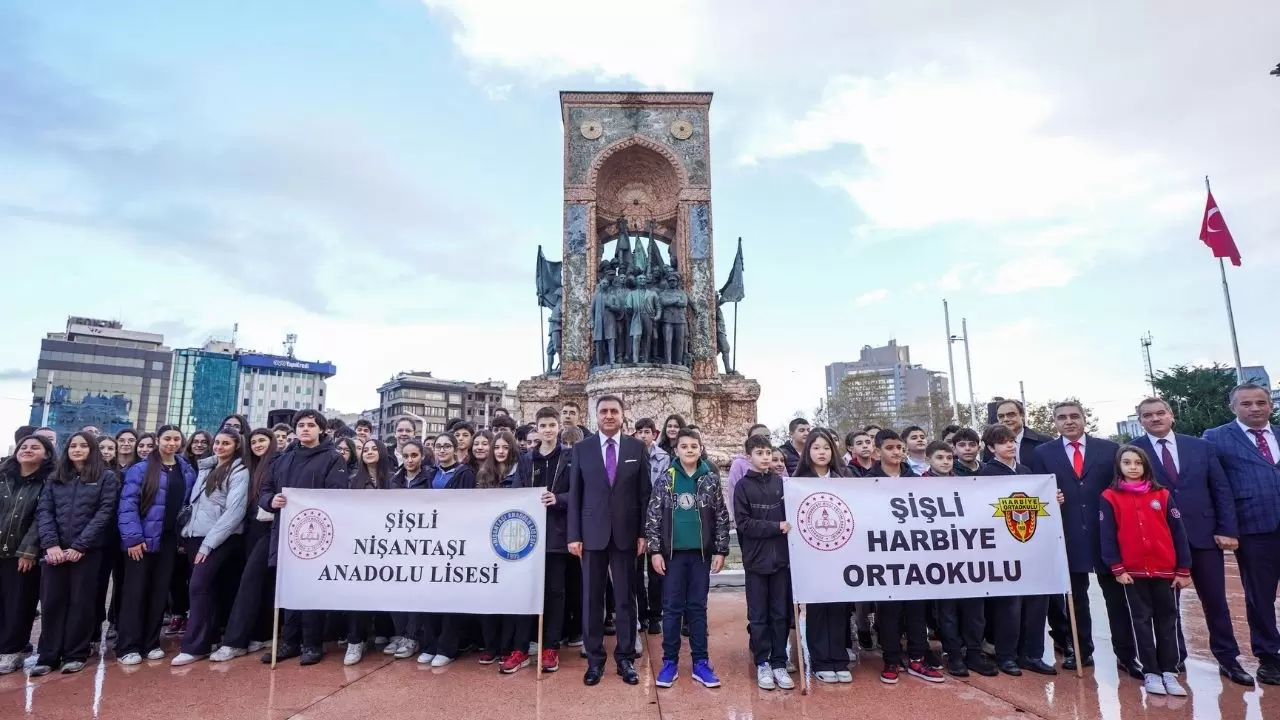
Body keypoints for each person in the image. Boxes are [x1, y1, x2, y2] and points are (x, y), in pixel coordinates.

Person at [1129, 398, 1251, 685]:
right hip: (1161, 542)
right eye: (1148, 415)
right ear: (1140, 420)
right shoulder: (1132, 452)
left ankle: (1227, 658)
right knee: (1167, 605)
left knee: (1215, 601)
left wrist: (1227, 528)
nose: (1155, 419)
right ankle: (1174, 658)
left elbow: (1220, 489)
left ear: (1172, 415)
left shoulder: (1201, 446)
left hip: (1205, 535)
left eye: (1161, 413)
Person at [1030, 402, 1131, 677]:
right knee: (1076, 599)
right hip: (1067, 534)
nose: (1069, 422)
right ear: (1055, 422)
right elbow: (1036, 493)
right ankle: (1081, 650)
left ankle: (1127, 654)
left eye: (1074, 416)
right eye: (1062, 418)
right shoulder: (1043, 453)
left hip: (1106, 535)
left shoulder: (1109, 449)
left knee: (1117, 599)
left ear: (1084, 419)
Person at [567, 395, 650, 687]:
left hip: (627, 535)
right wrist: (574, 535)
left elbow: (644, 496)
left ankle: (626, 658)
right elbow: (575, 495)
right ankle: (594, 660)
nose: (609, 415)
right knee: (592, 599)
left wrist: (643, 533)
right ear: (596, 416)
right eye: (603, 411)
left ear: (623, 415)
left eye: (614, 411)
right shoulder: (581, 449)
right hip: (591, 535)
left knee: (626, 599)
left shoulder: (637, 448)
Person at [1202, 383, 1280, 686]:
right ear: (1232, 406)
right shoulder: (1216, 438)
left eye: (1261, 402)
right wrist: (1225, 527)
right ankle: (1269, 657)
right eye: (1246, 403)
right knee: (1260, 598)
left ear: (1270, 404)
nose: (1255, 408)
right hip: (1253, 529)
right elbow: (1215, 487)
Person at [1098, 444, 1191, 697]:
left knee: (1168, 621)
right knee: (1140, 621)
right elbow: (1107, 537)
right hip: (1132, 573)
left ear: (1145, 465)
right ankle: (1150, 671)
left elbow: (1178, 533)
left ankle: (1170, 671)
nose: (1133, 467)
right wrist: (1116, 567)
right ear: (1119, 466)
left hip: (1165, 572)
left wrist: (1183, 569)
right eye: (1127, 463)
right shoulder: (1110, 496)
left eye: (1138, 463)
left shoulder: (1162, 495)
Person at [260, 410, 349, 666]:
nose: (305, 429)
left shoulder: (332, 458)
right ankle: (288, 641)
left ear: (321, 430)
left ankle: (312, 643)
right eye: (301, 425)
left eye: (311, 425)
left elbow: (337, 493)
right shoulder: (282, 459)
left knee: (312, 590)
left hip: (318, 536)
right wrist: (271, 501)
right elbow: (265, 490)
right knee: (288, 589)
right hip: (286, 534)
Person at [646, 428, 729, 689]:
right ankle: (669, 661)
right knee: (671, 609)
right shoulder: (666, 479)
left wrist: (720, 550)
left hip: (701, 555)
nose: (690, 450)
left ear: (700, 449)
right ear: (677, 450)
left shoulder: (710, 479)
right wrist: (655, 550)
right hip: (672, 556)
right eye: (685, 446)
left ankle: (701, 662)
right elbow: (653, 517)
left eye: (694, 445)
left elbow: (721, 517)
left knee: (697, 608)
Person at [30, 432, 119, 676]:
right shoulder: (55, 478)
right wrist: (51, 545)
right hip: (54, 552)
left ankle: (75, 654)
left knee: (81, 602)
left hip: (87, 552)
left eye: (83, 446)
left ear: (92, 450)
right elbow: (44, 512)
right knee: (52, 602)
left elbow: (104, 513)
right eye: (73, 445)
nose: (77, 449)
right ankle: (48, 656)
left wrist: (80, 546)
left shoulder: (106, 478)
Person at [981, 424, 1058, 676]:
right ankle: (1007, 655)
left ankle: (1032, 654)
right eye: (1002, 442)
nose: (1010, 445)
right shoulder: (984, 475)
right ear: (991, 448)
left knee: (1037, 603)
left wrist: (1053, 499)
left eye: (1012, 440)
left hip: (1032, 548)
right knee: (1009, 606)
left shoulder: (1027, 472)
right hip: (1003, 550)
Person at [116, 425, 194, 666]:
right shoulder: (140, 469)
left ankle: (151, 642)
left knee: (159, 592)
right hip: (141, 539)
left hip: (170, 540)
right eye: (167, 439)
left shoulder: (186, 470)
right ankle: (127, 645)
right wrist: (132, 538)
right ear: (158, 440)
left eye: (176, 439)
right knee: (134, 592)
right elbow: (127, 504)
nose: (171, 443)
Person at [866, 429, 940, 684]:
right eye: (890, 448)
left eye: (899, 447)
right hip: (883, 556)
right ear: (878, 452)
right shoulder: (865, 481)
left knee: (917, 610)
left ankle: (918, 659)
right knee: (889, 611)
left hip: (913, 554)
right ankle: (891, 660)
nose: (896, 452)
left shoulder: (915, 479)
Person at [170, 429, 249, 666]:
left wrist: (208, 543)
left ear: (236, 446)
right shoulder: (206, 467)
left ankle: (195, 646)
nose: (219, 447)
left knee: (198, 586)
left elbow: (234, 512)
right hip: (196, 534)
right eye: (218, 442)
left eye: (226, 443)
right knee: (209, 588)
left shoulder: (239, 470)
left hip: (217, 538)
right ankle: (211, 636)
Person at [923, 441, 997, 678]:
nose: (945, 462)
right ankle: (954, 654)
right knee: (947, 611)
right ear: (929, 460)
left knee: (975, 609)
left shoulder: (967, 484)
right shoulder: (917, 485)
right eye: (939, 458)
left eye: (947, 457)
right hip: (939, 558)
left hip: (968, 555)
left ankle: (974, 653)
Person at [211, 429, 279, 662]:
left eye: (262, 440)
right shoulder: (247, 466)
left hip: (270, 528)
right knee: (260, 583)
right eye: (253, 442)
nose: (258, 445)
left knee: (250, 582)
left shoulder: (278, 462)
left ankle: (234, 642)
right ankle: (260, 634)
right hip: (249, 530)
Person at [734, 434, 794, 691]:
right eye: (760, 453)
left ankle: (780, 661)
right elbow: (744, 523)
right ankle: (762, 662)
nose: (765, 457)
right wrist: (776, 527)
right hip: (756, 559)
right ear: (749, 456)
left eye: (768, 452)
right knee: (758, 615)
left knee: (780, 614)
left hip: (781, 560)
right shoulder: (743, 487)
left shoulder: (782, 484)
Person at [796, 430, 857, 683]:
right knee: (819, 608)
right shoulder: (798, 481)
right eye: (816, 447)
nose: (822, 452)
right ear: (808, 452)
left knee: (839, 607)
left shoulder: (845, 478)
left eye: (826, 448)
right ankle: (821, 660)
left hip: (841, 553)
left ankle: (838, 658)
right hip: (812, 554)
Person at [477, 431, 536, 674]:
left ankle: (514, 645)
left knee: (516, 597)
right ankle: (492, 645)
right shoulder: (484, 475)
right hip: (488, 543)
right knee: (491, 597)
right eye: (497, 447)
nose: (500, 451)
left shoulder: (523, 473)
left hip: (516, 541)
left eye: (505, 447)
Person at [0, 434, 55, 675]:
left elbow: (41, 518)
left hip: (23, 554)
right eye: (24, 446)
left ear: (47, 455)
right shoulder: (3, 477)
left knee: (18, 604)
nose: (28, 450)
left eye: (35, 447)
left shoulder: (49, 482)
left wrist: (29, 551)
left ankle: (14, 649)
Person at [341, 438, 396, 666]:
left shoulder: (395, 479)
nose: (370, 452)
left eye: (375, 448)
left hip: (391, 545)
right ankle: (356, 641)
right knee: (358, 593)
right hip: (360, 545)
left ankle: (389, 633)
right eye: (365, 449)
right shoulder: (352, 480)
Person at [529, 406, 575, 673]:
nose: (547, 430)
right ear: (537, 428)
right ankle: (528, 642)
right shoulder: (528, 460)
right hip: (530, 539)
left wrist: (559, 499)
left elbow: (578, 493)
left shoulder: (569, 457)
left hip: (557, 536)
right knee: (531, 591)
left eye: (551, 425)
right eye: (542, 426)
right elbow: (517, 492)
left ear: (559, 427)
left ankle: (551, 647)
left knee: (556, 593)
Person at [381, 439, 432, 663]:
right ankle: (399, 633)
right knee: (395, 591)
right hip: (397, 543)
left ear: (421, 456)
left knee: (415, 593)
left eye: (414, 455)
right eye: (406, 456)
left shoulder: (429, 478)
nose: (410, 460)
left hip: (421, 543)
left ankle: (412, 636)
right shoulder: (394, 480)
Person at [167, 429, 214, 639]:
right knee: (176, 574)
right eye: (196, 441)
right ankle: (178, 612)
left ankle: (191, 616)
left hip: (201, 529)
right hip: (182, 525)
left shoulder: (212, 465)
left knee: (192, 575)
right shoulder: (183, 466)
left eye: (204, 442)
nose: (199, 445)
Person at [633, 417, 671, 634]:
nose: (643, 435)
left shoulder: (663, 458)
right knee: (636, 569)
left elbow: (664, 488)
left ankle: (656, 613)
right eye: (640, 432)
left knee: (657, 568)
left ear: (654, 434)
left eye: (647, 431)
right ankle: (641, 613)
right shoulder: (630, 455)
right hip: (635, 517)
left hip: (657, 517)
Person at [985, 399, 1052, 464]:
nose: (1005, 419)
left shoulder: (1044, 441)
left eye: (1011, 414)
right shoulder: (992, 444)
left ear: (1022, 415)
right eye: (1001, 416)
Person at [726, 423, 769, 509]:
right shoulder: (739, 464)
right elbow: (733, 494)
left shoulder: (774, 461)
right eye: (758, 437)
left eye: (767, 437)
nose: (763, 440)